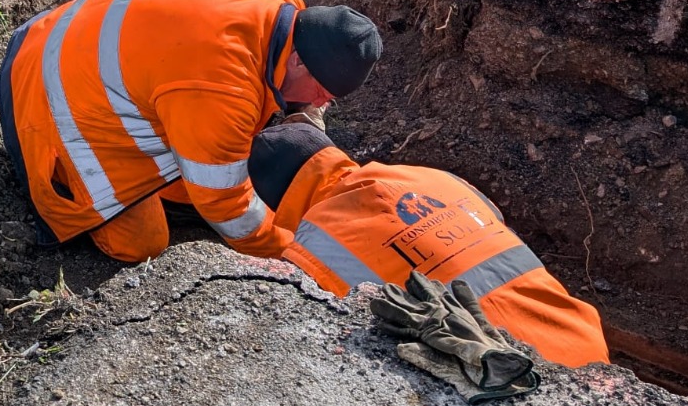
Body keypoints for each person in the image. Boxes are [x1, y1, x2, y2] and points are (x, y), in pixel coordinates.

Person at [0, 0, 382, 264]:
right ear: (298, 60)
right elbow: (227, 207)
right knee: (144, 244)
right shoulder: (220, 88)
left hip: (68, 30)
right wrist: (289, 252)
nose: (319, 104)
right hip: (44, 103)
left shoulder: (278, 0)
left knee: (211, 159)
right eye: (320, 93)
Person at [248, 121, 609, 368]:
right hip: (582, 338)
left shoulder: (310, 250)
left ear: (278, 199)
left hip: (501, 373)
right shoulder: (435, 177)